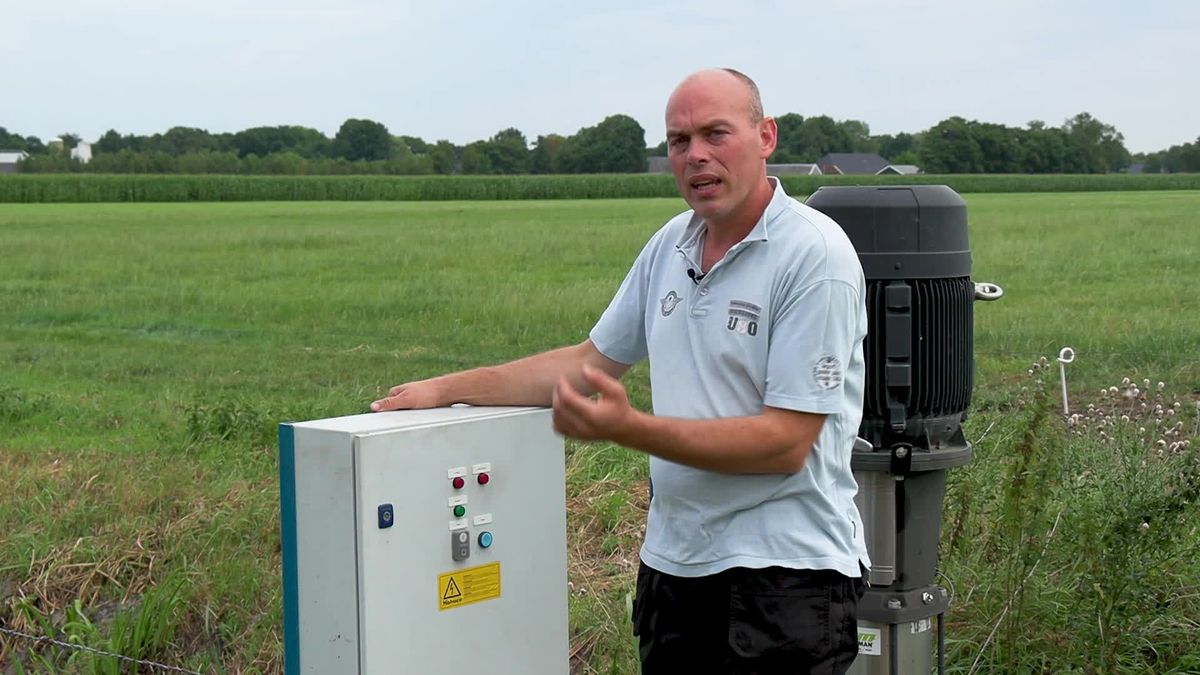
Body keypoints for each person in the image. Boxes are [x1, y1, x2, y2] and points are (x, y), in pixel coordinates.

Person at [371, 68, 870, 675]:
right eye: (679, 141)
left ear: (766, 137)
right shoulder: (672, 245)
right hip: (675, 570)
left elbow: (784, 443)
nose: (696, 156)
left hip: (782, 582)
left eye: (716, 133)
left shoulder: (813, 256)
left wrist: (627, 427)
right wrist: (446, 390)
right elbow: (589, 362)